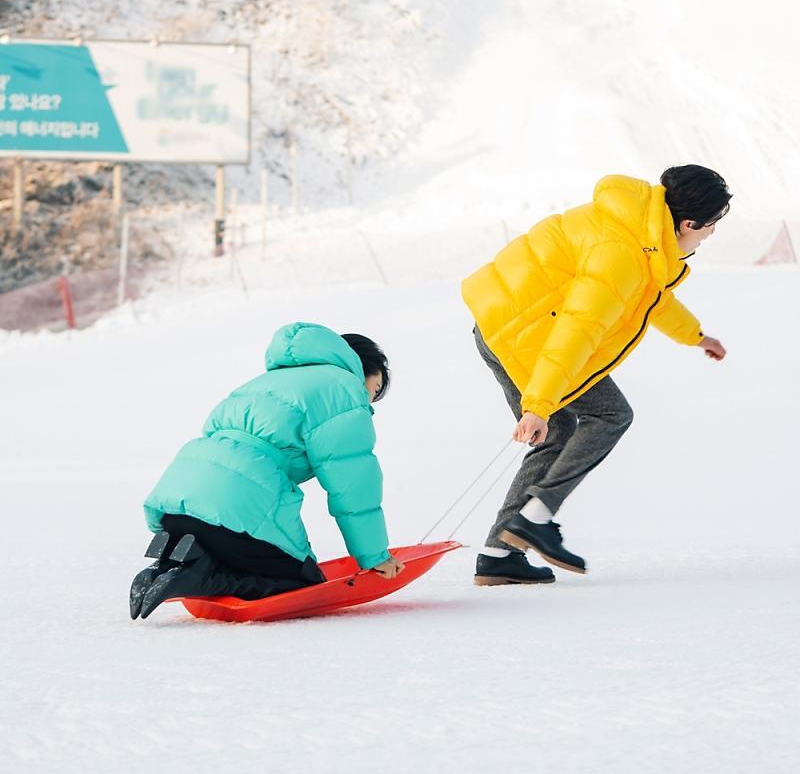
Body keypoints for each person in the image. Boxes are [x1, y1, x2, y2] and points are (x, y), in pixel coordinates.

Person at [463, 166, 730, 587]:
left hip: (506, 321)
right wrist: (538, 406)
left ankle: (500, 554)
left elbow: (649, 298)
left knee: (557, 431)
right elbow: (576, 332)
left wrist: (696, 336)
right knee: (609, 414)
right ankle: (534, 519)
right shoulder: (622, 254)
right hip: (523, 333)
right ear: (689, 223)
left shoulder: (640, 231)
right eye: (712, 225)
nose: (711, 234)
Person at [129, 321, 403, 619]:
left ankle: (172, 564)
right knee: (303, 584)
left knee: (239, 550)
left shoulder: (262, 383)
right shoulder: (343, 389)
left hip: (177, 504)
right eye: (375, 389)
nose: (370, 401)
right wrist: (375, 556)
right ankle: (199, 577)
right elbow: (352, 484)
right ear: (362, 367)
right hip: (232, 510)